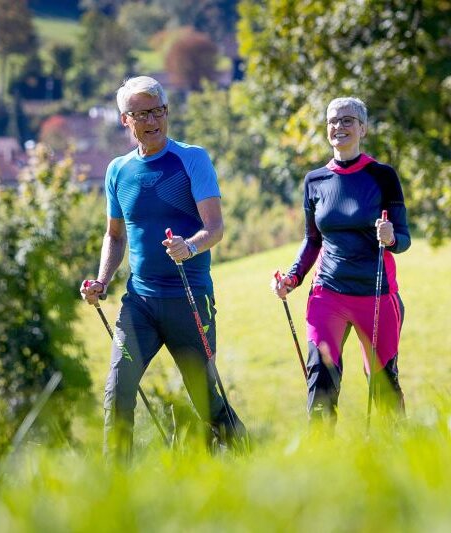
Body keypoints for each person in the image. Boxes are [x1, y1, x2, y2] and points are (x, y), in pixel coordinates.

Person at [80, 76, 245, 460]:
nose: (151, 120)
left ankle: (244, 457)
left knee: (206, 400)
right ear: (125, 120)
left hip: (188, 299)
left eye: (157, 111)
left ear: (167, 112)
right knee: (117, 392)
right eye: (140, 113)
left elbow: (215, 228)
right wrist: (102, 280)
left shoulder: (191, 158)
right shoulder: (117, 170)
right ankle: (116, 486)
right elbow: (115, 236)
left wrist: (190, 246)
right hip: (140, 302)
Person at [272, 96, 411, 425]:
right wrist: (292, 278)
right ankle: (320, 462)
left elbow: (404, 239)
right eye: (333, 121)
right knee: (320, 377)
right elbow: (312, 240)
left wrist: (391, 237)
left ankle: (397, 458)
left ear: (362, 128)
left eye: (347, 120)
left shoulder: (383, 176)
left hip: (376, 295)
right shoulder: (315, 180)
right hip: (328, 294)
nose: (339, 127)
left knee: (384, 386)